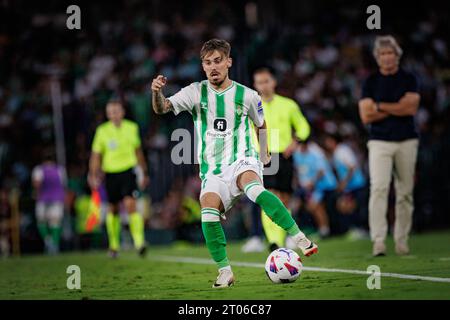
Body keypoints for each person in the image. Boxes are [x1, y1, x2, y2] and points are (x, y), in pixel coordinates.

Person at [151, 39, 318, 288]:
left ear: (228, 62)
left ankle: (299, 236)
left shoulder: (248, 95)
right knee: (207, 213)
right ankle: (225, 271)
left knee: (255, 189)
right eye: (208, 63)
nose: (213, 67)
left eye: (218, 61)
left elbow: (261, 124)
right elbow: (163, 108)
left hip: (243, 159)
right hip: (213, 171)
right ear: (203, 66)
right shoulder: (195, 91)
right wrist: (156, 92)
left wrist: (264, 153)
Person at [358, 35, 420, 256]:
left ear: (397, 55)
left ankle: (402, 240)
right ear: (377, 57)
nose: (386, 57)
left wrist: (380, 106)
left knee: (405, 192)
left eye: (390, 53)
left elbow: (410, 108)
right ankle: (379, 241)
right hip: (379, 142)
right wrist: (397, 106)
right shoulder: (370, 81)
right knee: (379, 189)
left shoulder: (409, 78)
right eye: (383, 54)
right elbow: (366, 115)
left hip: (406, 140)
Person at [250, 67, 311, 252]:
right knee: (269, 197)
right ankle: (274, 240)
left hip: (284, 156)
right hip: (266, 155)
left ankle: (284, 236)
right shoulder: (253, 105)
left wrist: (295, 142)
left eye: (266, 81)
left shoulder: (288, 104)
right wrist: (260, 150)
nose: (264, 85)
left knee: (285, 197)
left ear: (273, 82)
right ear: (255, 85)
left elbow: (303, 127)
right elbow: (250, 130)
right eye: (260, 82)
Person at [88, 99, 149, 258]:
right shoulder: (102, 131)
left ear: (122, 112)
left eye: (116, 111)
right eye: (110, 112)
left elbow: (138, 151)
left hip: (128, 171)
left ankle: (139, 242)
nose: (113, 115)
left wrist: (144, 172)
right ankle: (114, 246)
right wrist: (93, 174)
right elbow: (96, 155)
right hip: (110, 173)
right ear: (107, 114)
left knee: (131, 205)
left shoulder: (132, 127)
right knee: (112, 209)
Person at [323, 133, 367, 237]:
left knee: (353, 208)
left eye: (328, 141)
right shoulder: (337, 152)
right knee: (345, 207)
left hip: (356, 184)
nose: (326, 143)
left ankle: (359, 230)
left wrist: (344, 183)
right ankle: (354, 229)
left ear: (333, 141)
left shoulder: (342, 151)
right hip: (351, 186)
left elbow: (352, 167)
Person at [293, 140, 337, 238]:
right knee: (304, 207)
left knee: (316, 207)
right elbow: (297, 169)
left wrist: (312, 183)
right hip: (306, 187)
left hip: (319, 186)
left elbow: (321, 171)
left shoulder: (315, 152)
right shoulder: (296, 153)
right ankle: (317, 230)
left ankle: (324, 230)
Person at [31, 150, 66, 254]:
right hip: (57, 198)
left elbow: (37, 184)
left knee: (41, 221)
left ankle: (48, 241)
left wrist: (36, 193)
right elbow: (63, 185)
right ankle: (54, 245)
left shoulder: (39, 169)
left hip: (43, 198)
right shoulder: (60, 169)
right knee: (55, 222)